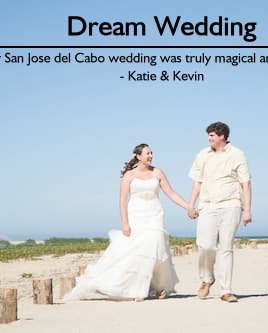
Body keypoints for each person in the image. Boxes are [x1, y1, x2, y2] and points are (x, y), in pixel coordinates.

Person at [64, 143, 189, 301]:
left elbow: (171, 193)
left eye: (151, 153)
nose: (150, 156)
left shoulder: (158, 172)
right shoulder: (129, 176)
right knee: (138, 251)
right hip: (136, 214)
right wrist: (125, 223)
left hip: (154, 213)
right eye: (147, 153)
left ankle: (158, 287)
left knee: (156, 247)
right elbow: (122, 201)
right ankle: (138, 289)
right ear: (138, 156)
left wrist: (188, 207)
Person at [187, 122, 252, 303]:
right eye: (208, 135)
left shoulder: (237, 154)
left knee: (226, 248)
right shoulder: (202, 155)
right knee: (205, 245)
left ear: (222, 136)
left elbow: (246, 184)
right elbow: (197, 183)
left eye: (212, 135)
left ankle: (226, 290)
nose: (209, 138)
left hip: (231, 205)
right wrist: (190, 205)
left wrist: (247, 210)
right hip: (207, 206)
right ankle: (207, 278)